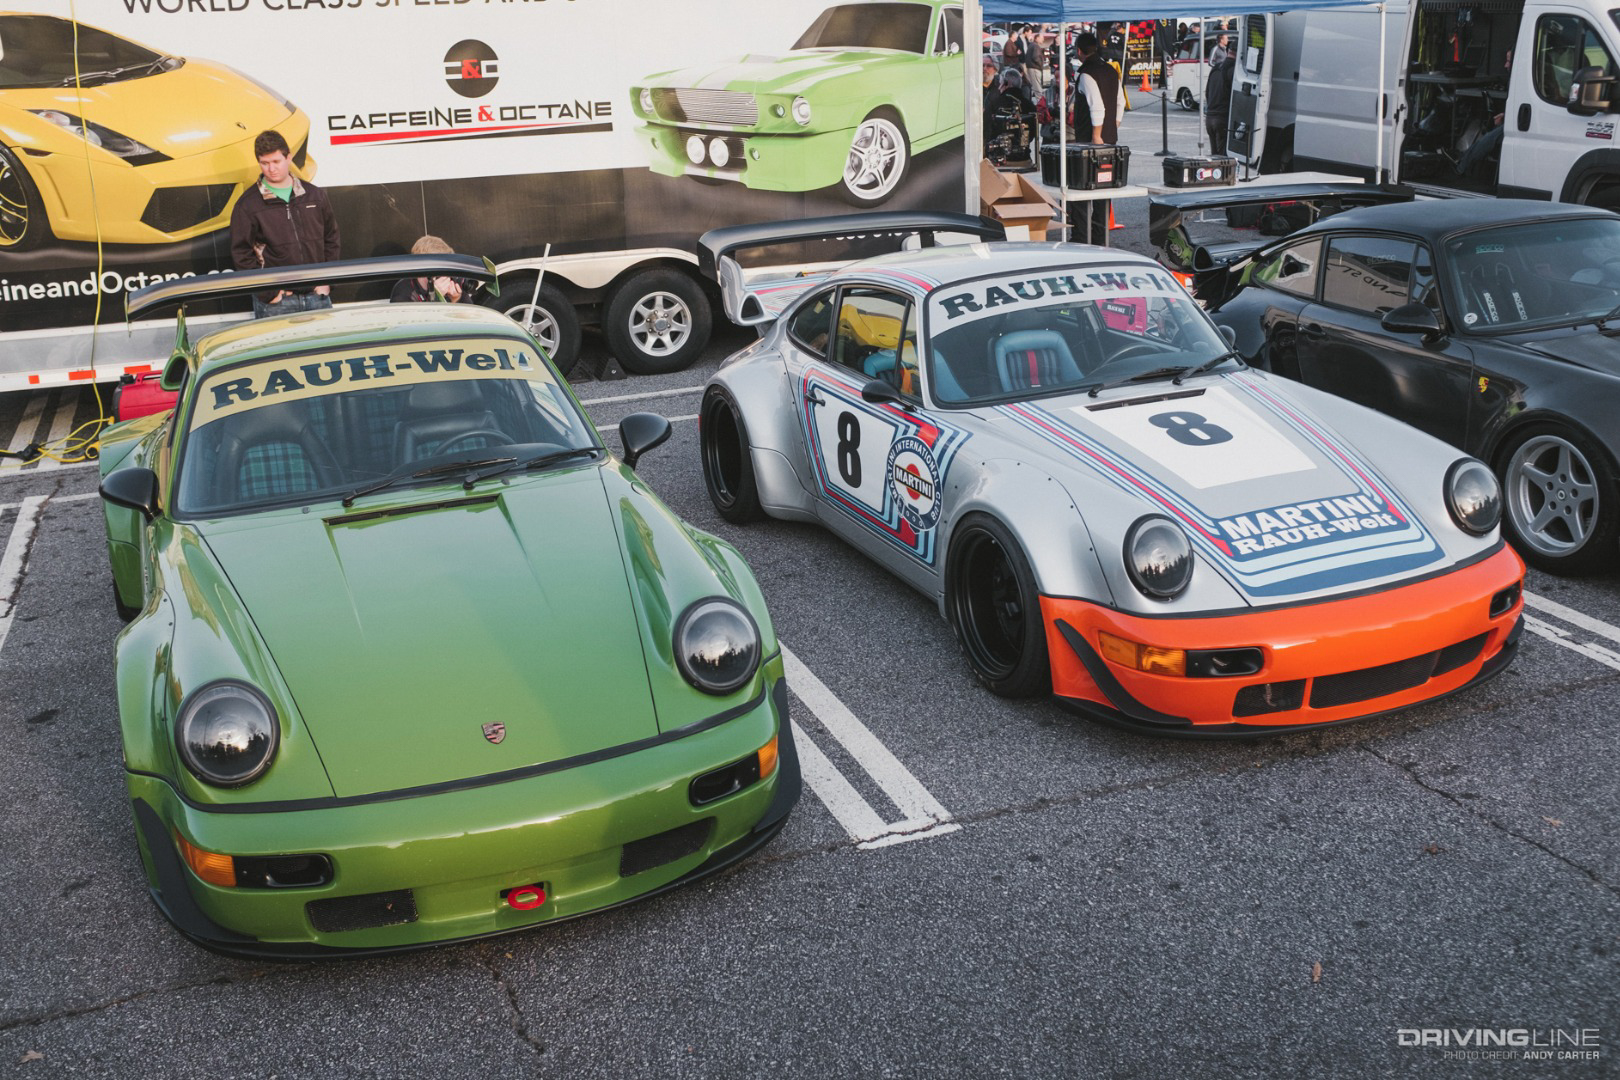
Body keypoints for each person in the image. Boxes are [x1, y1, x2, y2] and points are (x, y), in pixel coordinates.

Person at [229, 130, 340, 319]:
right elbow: (241, 253)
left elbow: (331, 238)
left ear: (288, 158)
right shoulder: (248, 204)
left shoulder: (314, 195)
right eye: (264, 163)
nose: (271, 169)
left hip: (317, 296)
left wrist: (327, 282)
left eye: (276, 161)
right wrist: (269, 294)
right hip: (277, 303)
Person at [1071, 32, 1125, 244]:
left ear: (1079, 52)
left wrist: (1096, 136)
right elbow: (1120, 102)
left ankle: (1082, 240)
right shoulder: (1111, 71)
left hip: (1090, 142)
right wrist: (1114, 126)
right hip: (1111, 140)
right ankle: (1101, 240)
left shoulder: (1086, 74)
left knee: (1083, 194)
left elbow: (1097, 107)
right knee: (1103, 192)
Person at [391, 235, 475, 303]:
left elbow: (472, 318)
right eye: (441, 267)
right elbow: (415, 322)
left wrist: (456, 299)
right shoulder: (404, 291)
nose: (446, 274)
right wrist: (436, 297)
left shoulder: (452, 282)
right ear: (424, 269)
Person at [1205, 51, 1235, 156]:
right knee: (1222, 158)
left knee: (1214, 156)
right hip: (1222, 117)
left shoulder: (1216, 68)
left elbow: (1207, 92)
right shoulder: (1232, 70)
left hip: (1210, 117)